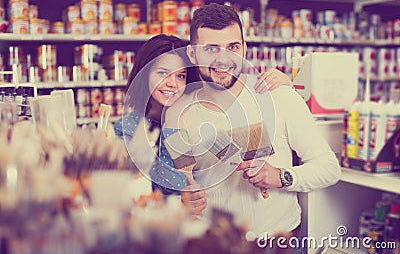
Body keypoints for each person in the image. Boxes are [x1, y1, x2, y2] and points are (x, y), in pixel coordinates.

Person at [162, 3, 341, 241]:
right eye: (211, 49)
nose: (223, 59)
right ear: (193, 54)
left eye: (233, 47)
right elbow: (176, 187)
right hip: (214, 243)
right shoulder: (180, 113)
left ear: (244, 48)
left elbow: (329, 168)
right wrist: (185, 196)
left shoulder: (278, 96)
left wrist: (280, 176)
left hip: (279, 242)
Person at [114, 33, 293, 195]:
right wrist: (171, 121)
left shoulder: (197, 109)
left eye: (181, 76)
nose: (172, 83)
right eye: (163, 73)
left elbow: (226, 80)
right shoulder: (128, 129)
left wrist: (286, 83)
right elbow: (169, 187)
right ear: (144, 74)